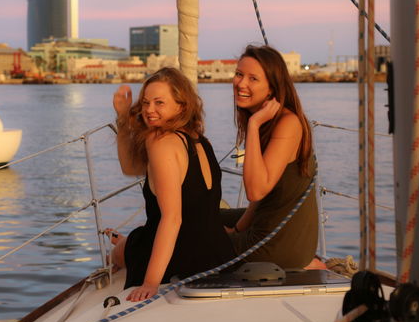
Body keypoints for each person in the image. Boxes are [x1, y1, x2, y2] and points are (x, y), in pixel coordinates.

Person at [108, 67, 235, 302]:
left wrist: (150, 282)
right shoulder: (199, 139)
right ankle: (126, 240)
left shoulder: (161, 142)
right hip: (218, 254)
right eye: (145, 103)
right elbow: (131, 168)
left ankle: (123, 242)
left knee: (116, 255)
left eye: (159, 103)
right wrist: (123, 118)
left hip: (182, 257)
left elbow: (172, 218)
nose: (149, 110)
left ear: (181, 106)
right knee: (135, 239)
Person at [220, 45, 318, 269]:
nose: (241, 83)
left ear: (272, 88)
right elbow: (260, 199)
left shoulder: (287, 123)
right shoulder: (270, 121)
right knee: (205, 218)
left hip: (277, 246)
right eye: (239, 74)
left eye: (253, 78)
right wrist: (236, 229)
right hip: (267, 225)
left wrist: (253, 126)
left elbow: (255, 190)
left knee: (190, 239)